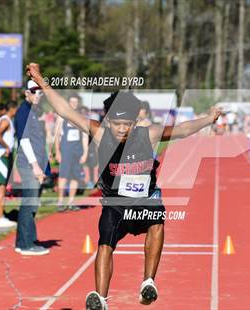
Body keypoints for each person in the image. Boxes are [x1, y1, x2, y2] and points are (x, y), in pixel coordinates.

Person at [26, 63, 221, 310]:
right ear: (107, 121)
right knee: (105, 243)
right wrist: (42, 82)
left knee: (157, 219)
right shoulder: (98, 133)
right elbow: (65, 110)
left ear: (134, 121)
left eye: (127, 124)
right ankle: (100, 298)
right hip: (115, 204)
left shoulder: (147, 134)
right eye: (116, 124)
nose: (121, 129)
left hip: (144, 200)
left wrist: (209, 118)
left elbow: (182, 130)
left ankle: (148, 282)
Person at [14, 80, 51, 256]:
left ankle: (23, 241)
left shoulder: (33, 111)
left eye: (40, 92)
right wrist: (35, 165)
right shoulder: (23, 112)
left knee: (31, 203)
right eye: (34, 92)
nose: (38, 95)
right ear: (26, 93)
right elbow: (24, 140)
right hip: (29, 163)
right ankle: (26, 244)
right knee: (29, 203)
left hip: (36, 162)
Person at [54, 93, 88, 211]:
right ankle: (60, 202)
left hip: (77, 150)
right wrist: (57, 152)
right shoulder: (61, 116)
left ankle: (71, 202)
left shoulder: (80, 117)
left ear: (78, 103)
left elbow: (84, 137)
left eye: (76, 102)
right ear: (68, 103)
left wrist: (85, 153)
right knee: (63, 176)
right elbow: (57, 136)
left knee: (75, 177)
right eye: (72, 102)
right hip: (65, 150)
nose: (74, 104)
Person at [0, 101, 18, 228]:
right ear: (12, 109)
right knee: (1, 187)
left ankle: (1, 215)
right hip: (3, 156)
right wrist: (6, 147)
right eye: (16, 109)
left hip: (4, 156)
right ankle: (0, 217)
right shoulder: (6, 120)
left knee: (3, 186)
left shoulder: (7, 120)